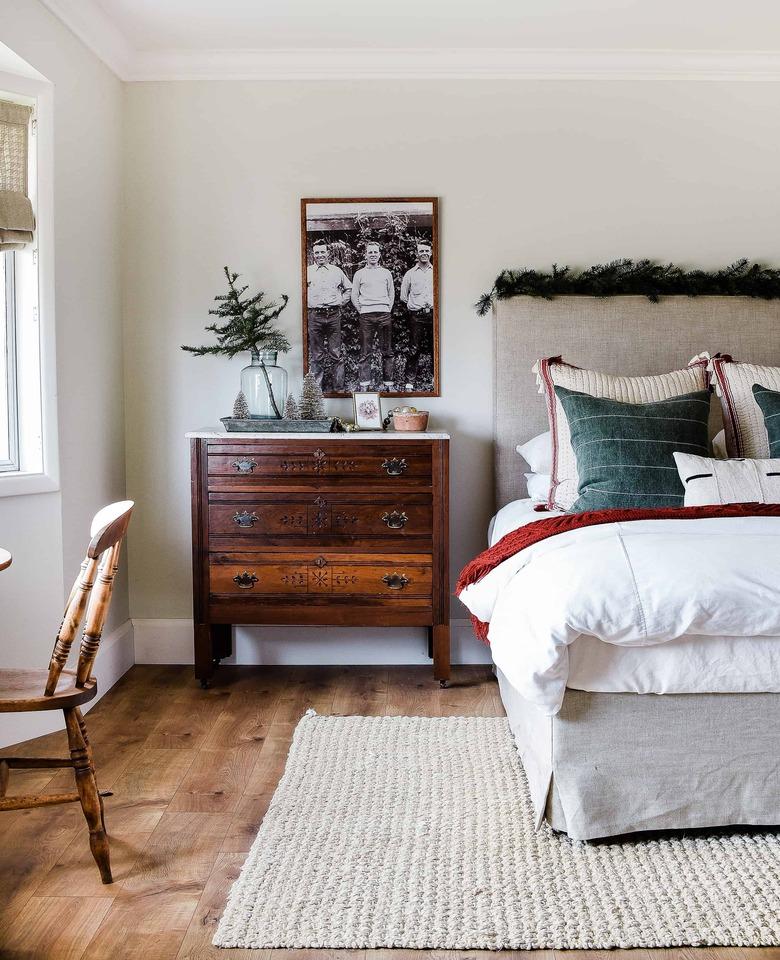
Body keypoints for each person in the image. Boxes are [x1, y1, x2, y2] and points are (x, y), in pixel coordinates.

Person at [306, 239, 352, 392]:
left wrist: (340, 302)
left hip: (333, 315)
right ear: (313, 254)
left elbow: (349, 288)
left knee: (336, 353)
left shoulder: (336, 271)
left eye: (322, 252)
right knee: (316, 354)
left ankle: (338, 389)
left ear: (328, 253)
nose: (320, 255)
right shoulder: (307, 271)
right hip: (315, 316)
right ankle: (316, 390)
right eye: (317, 252)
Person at [350, 241, 395, 391]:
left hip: (384, 314)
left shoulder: (386, 273)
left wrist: (387, 308)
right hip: (366, 316)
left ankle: (389, 384)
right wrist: (361, 310)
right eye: (370, 252)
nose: (373, 255)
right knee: (365, 351)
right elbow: (354, 295)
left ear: (380, 254)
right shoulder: (359, 274)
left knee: (387, 350)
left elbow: (391, 293)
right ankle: (364, 384)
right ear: (366, 255)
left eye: (376, 252)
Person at [400, 240, 434, 390]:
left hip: (435, 316)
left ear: (431, 253)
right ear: (417, 253)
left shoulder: (436, 271)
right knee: (414, 348)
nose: (424, 253)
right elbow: (403, 296)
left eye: (427, 251)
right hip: (417, 316)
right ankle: (410, 381)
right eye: (422, 251)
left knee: (436, 347)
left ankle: (435, 378)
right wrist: (416, 306)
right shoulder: (410, 274)